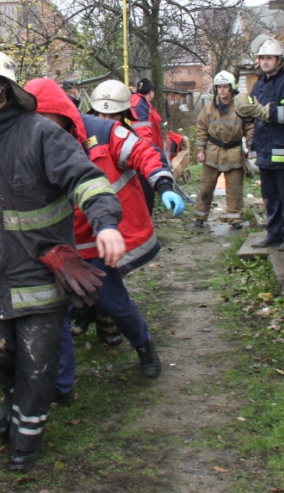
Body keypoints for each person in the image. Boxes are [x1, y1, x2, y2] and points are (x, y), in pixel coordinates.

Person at [0, 49, 125, 471]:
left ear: (3, 92)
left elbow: (87, 180)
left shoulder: (41, 134)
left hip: (44, 272)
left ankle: (27, 441)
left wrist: (105, 223)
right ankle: (17, 399)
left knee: (37, 362)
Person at [25, 79, 183, 401]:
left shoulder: (102, 132)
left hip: (98, 238)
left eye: (46, 120)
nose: (41, 128)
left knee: (113, 301)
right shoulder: (28, 141)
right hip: (58, 244)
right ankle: (61, 386)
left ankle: (144, 346)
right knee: (57, 313)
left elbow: (143, 152)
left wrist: (163, 184)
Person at [235, 35, 284, 251]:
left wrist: (268, 111)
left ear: (279, 60)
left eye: (269, 58)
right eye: (262, 58)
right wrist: (244, 113)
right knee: (270, 197)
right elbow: (253, 116)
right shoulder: (258, 86)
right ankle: (273, 234)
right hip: (265, 150)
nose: (264, 62)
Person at [194, 71, 253, 230]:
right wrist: (200, 150)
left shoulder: (240, 107)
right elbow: (201, 129)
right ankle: (200, 216)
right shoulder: (209, 108)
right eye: (219, 87)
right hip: (212, 152)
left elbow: (249, 128)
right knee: (206, 187)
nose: (222, 90)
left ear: (231, 88)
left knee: (234, 189)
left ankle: (235, 219)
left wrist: (251, 147)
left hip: (234, 153)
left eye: (225, 87)